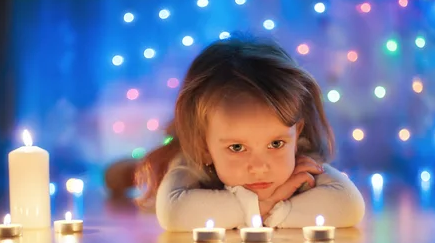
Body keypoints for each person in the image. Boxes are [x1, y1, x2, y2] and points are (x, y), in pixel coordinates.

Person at [134, 34, 365, 231]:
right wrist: (266, 204)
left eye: (276, 144)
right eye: (237, 147)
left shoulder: (300, 161)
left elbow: (349, 206)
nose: (259, 167)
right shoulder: (191, 160)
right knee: (135, 174)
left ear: (296, 134)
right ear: (204, 147)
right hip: (164, 162)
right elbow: (174, 214)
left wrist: (270, 211)